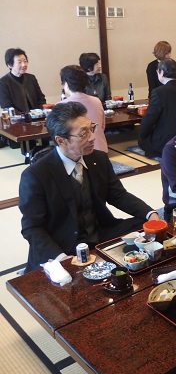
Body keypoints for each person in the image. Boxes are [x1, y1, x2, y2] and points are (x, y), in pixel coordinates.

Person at [19, 102, 160, 273]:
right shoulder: (35, 175)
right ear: (61, 140)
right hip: (63, 243)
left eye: (91, 128)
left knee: (147, 227)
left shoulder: (98, 158)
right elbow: (32, 227)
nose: (92, 137)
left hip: (99, 231)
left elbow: (118, 195)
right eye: (83, 133)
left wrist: (150, 214)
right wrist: (60, 257)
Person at [139, 59, 176, 158]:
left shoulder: (158, 92)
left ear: (161, 72)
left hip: (166, 140)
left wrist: (142, 134)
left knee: (143, 141)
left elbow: (150, 118)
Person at [57, 65, 108, 153]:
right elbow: (102, 127)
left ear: (66, 84)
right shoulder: (96, 101)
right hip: (101, 149)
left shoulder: (61, 106)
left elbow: (61, 137)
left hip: (79, 152)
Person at [0, 48, 46, 112]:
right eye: (19, 62)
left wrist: (38, 112)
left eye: (25, 61)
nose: (24, 65)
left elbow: (41, 98)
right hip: (17, 117)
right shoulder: (3, 82)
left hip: (37, 115)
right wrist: (24, 115)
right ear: (9, 65)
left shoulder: (31, 78)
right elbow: (6, 106)